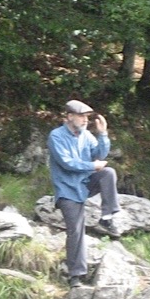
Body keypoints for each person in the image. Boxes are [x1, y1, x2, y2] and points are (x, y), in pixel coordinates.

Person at [48, 99, 120, 288]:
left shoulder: (86, 135)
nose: (85, 120)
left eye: (87, 117)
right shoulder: (56, 136)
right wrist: (91, 166)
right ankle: (75, 276)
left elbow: (100, 155)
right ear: (69, 116)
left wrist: (103, 134)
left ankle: (106, 217)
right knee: (76, 230)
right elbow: (67, 163)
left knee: (108, 173)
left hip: (86, 183)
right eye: (81, 116)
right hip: (67, 190)